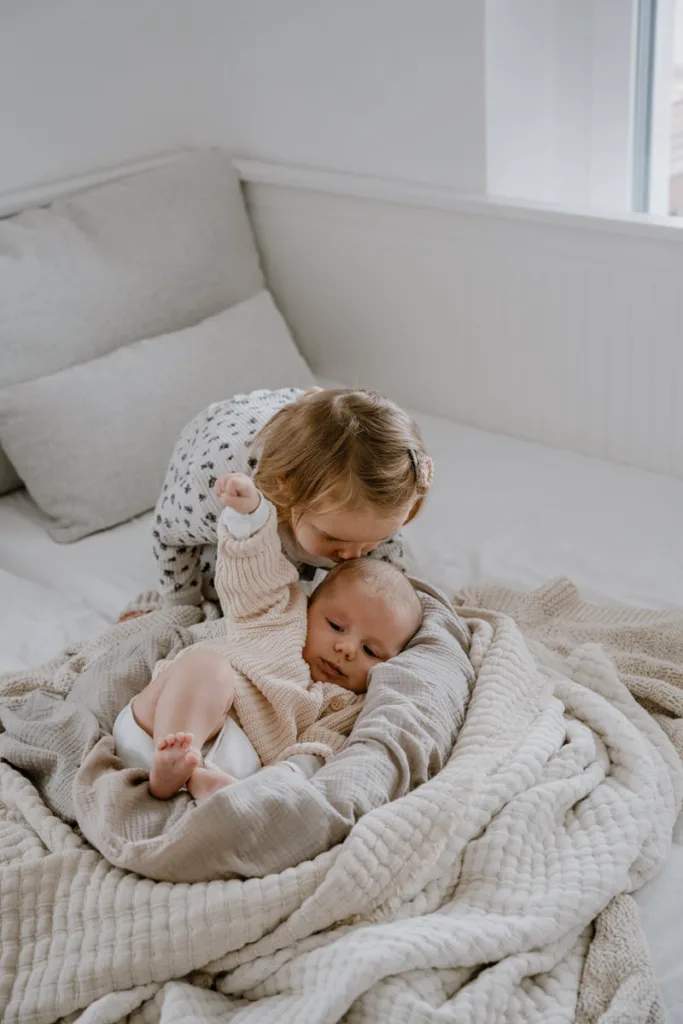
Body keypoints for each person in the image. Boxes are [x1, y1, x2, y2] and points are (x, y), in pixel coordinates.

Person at [113, 473, 423, 800]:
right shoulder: (279, 614)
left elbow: (317, 749)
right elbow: (253, 572)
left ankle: (194, 778)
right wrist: (249, 516)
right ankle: (174, 767)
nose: (345, 649)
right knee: (206, 666)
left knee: (279, 773)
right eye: (335, 625)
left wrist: (282, 776)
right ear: (310, 604)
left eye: (371, 651)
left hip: (235, 765)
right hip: (158, 727)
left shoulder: (348, 703)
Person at [120, 386, 433, 619]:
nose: (353, 555)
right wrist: (181, 607)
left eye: (373, 539)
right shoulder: (218, 489)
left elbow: (394, 584)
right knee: (225, 585)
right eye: (333, 538)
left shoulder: (365, 506)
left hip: (318, 445)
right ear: (288, 488)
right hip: (217, 448)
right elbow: (168, 533)